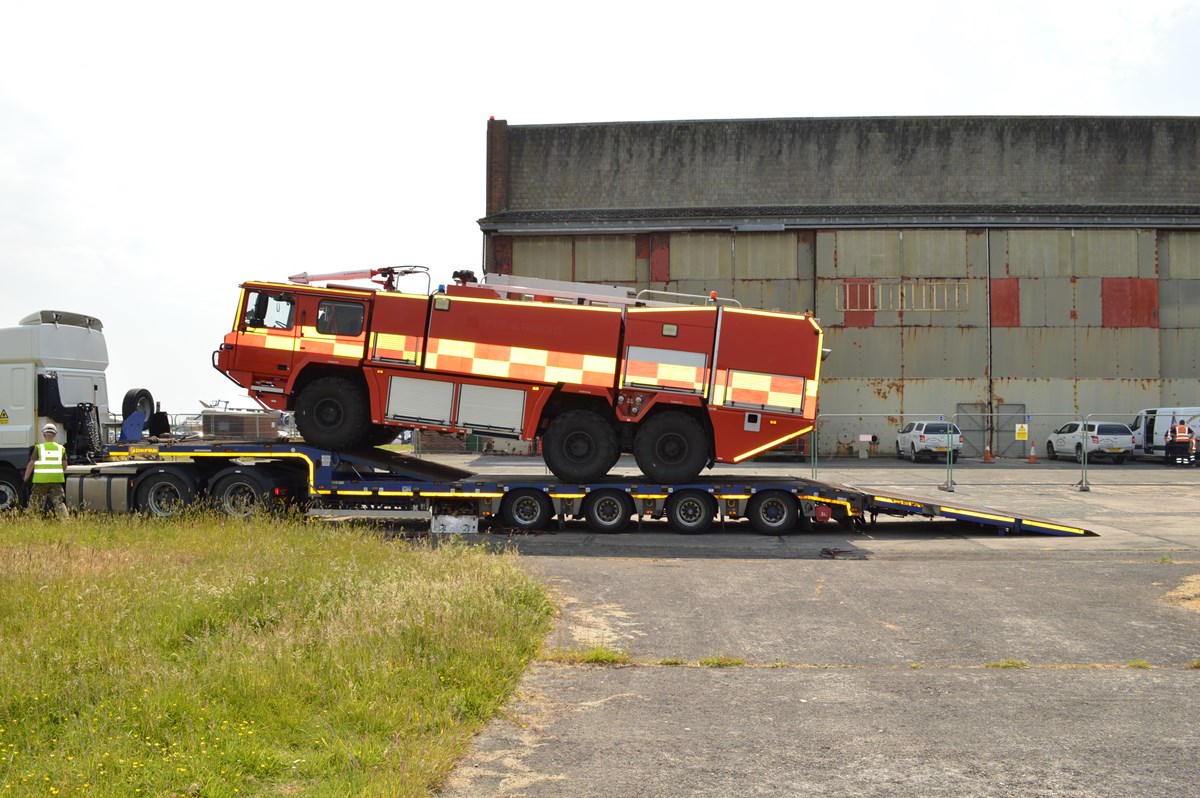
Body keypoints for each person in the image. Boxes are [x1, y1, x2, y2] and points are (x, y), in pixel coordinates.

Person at [23, 423, 69, 518]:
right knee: (59, 502)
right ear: (55, 435)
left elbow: (31, 464)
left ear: (44, 435)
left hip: (41, 481)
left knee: (34, 502)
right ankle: (66, 522)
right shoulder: (61, 448)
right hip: (56, 481)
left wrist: (25, 479)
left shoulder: (39, 448)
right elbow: (65, 466)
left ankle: (29, 521)